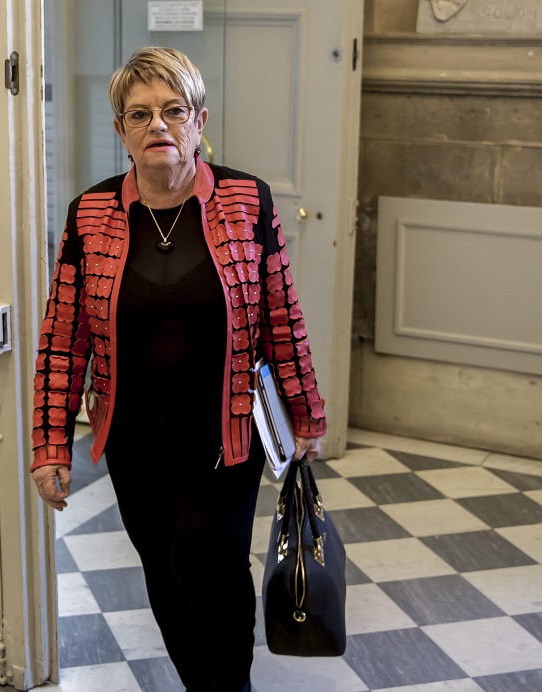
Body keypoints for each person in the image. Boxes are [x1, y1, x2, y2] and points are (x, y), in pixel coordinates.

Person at [30, 47, 325, 692]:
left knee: (206, 557)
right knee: (162, 568)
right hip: (134, 437)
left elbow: (281, 313)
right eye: (140, 115)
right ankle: (206, 685)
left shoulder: (245, 200)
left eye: (173, 110)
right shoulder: (91, 214)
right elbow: (61, 338)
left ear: (199, 120)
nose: (158, 125)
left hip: (224, 431)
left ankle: (229, 687)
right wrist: (51, 445)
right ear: (121, 130)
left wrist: (306, 410)